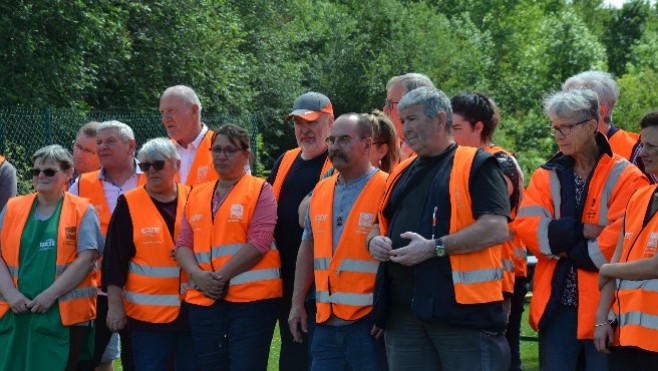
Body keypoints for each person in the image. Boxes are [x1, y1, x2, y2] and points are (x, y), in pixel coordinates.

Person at [368, 87, 512, 370]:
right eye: (403, 120)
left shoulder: (477, 164)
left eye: (412, 119)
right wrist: (373, 242)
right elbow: (378, 224)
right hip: (404, 313)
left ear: (440, 119)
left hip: (462, 316)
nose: (404, 128)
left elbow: (496, 229)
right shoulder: (400, 171)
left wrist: (434, 248)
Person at [515, 89, 648, 371]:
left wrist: (561, 247)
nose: (559, 134)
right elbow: (529, 231)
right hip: (557, 307)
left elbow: (618, 246)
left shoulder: (627, 176)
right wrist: (582, 229)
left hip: (608, 309)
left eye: (567, 126)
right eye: (555, 127)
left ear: (591, 125)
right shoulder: (545, 175)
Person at [176, 124, 281, 370]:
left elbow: (259, 242)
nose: (222, 156)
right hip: (204, 301)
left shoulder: (260, 190)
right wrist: (197, 275)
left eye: (230, 150)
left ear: (246, 155)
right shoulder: (197, 194)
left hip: (252, 303)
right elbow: (183, 244)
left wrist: (218, 278)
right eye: (217, 150)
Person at [289, 113, 388, 370]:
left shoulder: (386, 187)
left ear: (367, 144)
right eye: (332, 140)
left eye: (344, 140)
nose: (334, 147)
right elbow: (307, 246)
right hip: (325, 322)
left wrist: (386, 311)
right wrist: (297, 303)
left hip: (369, 324)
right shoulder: (320, 190)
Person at [0, 144, 103, 371]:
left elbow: (87, 259)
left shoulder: (82, 209)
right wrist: (10, 293)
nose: (40, 176)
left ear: (68, 173)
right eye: (36, 171)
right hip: (16, 311)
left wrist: (50, 295)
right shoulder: (13, 207)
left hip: (62, 316)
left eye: (49, 171)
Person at [450, 92, 527, 371]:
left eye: (456, 128)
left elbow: (485, 219)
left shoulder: (497, 162)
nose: (451, 135)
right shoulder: (467, 161)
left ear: (479, 127)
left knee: (501, 357)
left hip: (501, 278)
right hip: (482, 276)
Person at [102, 138, 194, 371]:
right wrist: (115, 307)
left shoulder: (194, 197)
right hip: (147, 319)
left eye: (158, 164)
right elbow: (114, 261)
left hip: (192, 312)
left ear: (175, 164)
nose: (151, 171)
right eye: (144, 166)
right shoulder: (129, 204)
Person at [71, 120, 145, 371]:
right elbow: (66, 225)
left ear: (131, 145)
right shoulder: (82, 184)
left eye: (110, 141)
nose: (103, 147)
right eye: (99, 142)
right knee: (85, 361)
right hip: (96, 291)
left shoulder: (153, 176)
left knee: (140, 362)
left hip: (144, 291)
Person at [268, 92, 334, 370]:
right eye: (298, 123)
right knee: (293, 352)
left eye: (312, 123)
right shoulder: (286, 160)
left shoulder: (339, 161)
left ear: (330, 122)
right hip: (285, 278)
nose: (304, 130)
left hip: (321, 282)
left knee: (319, 355)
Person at [594, 111, 658, 370]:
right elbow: (617, 259)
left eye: (652, 146)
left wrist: (608, 269)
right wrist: (600, 320)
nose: (643, 152)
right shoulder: (639, 197)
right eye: (643, 144)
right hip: (626, 337)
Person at [563, 70, 656, 183]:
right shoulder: (565, 150)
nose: (563, 115)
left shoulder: (638, 152)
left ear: (600, 111)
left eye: (573, 108)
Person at [159, 85, 218, 186]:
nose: (165, 119)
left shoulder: (225, 147)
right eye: (162, 112)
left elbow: (241, 191)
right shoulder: (161, 153)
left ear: (194, 110)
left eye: (171, 111)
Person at [383, 73, 435, 160]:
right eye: (386, 102)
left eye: (391, 103)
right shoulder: (386, 146)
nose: (385, 109)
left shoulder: (437, 152)